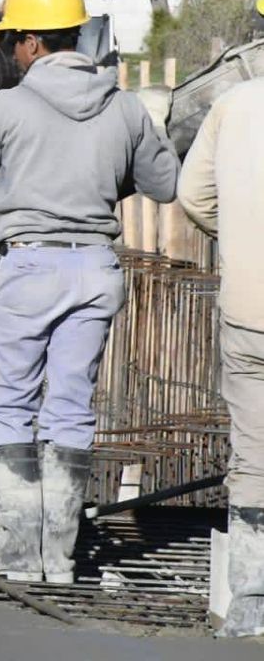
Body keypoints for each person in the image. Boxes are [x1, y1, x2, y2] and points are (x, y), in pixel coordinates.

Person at [0, 0, 177, 584]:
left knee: (9, 406)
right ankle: (58, 556)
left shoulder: (6, 107)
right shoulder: (125, 106)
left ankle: (18, 552)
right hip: (95, 270)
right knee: (71, 409)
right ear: (75, 34)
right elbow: (165, 185)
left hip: (28, 267)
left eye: (11, 43)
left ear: (29, 41)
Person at [177, 67, 264, 638]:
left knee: (255, 453)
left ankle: (252, 600)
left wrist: (234, 233)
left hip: (251, 307)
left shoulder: (235, 104)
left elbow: (191, 196)